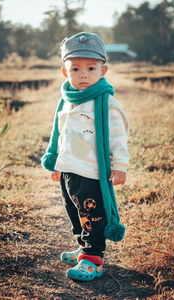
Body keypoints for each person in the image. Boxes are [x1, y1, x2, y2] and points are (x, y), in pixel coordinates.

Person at [41, 32, 130, 281]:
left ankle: (93, 258)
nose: (83, 74)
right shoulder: (67, 100)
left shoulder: (106, 103)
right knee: (74, 210)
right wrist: (56, 163)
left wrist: (120, 164)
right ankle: (83, 245)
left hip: (91, 170)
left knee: (92, 213)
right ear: (64, 72)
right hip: (69, 168)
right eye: (76, 68)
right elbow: (60, 133)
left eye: (91, 68)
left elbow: (117, 136)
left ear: (103, 71)